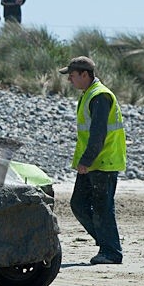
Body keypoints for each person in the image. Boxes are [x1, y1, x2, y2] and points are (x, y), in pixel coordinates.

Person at [59, 56, 127, 265]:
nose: (70, 80)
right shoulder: (89, 94)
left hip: (102, 162)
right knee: (78, 204)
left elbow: (98, 133)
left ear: (85, 75)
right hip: (94, 163)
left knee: (102, 207)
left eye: (72, 76)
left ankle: (111, 251)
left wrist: (86, 160)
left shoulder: (99, 96)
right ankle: (107, 243)